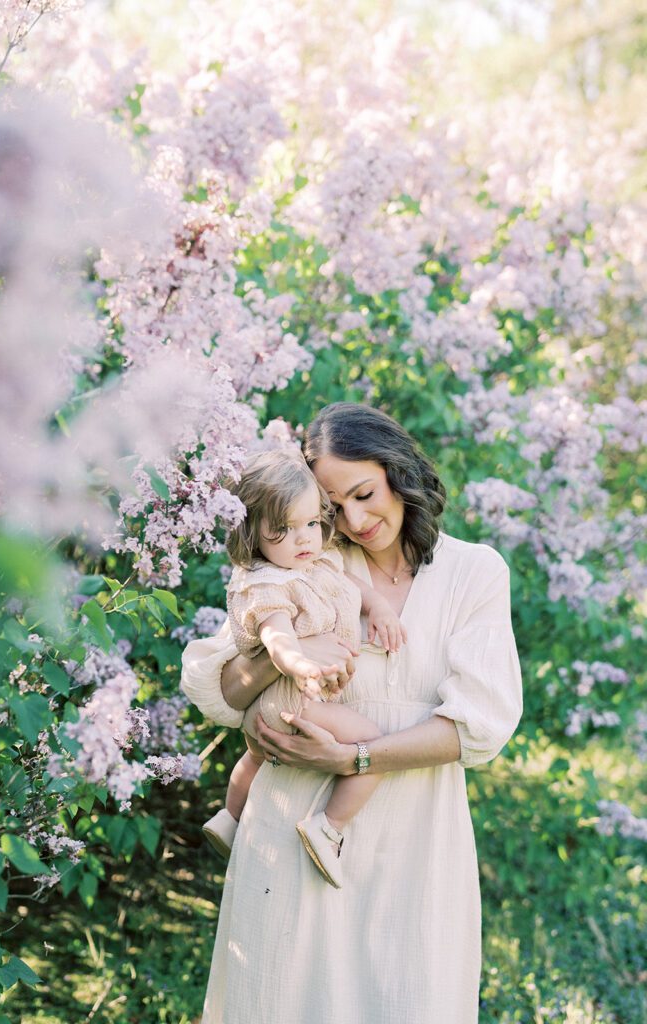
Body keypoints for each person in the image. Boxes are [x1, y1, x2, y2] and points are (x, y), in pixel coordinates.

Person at [181, 402, 523, 1024]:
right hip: (289, 830)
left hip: (417, 842)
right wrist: (284, 657)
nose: (357, 520)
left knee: (409, 997)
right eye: (335, 508)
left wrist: (351, 756)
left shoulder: (474, 572)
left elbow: (479, 724)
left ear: (400, 471)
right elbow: (222, 692)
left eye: (366, 494)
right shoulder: (308, 562)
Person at [201, 449, 407, 888]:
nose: (304, 539)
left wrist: (380, 609)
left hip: (274, 705)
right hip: (298, 700)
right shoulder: (267, 584)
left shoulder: (315, 565)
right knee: (374, 745)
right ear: (252, 534)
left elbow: (353, 587)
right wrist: (300, 668)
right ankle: (327, 827)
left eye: (312, 524)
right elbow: (277, 640)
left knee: (254, 755)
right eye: (285, 530)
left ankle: (228, 818)